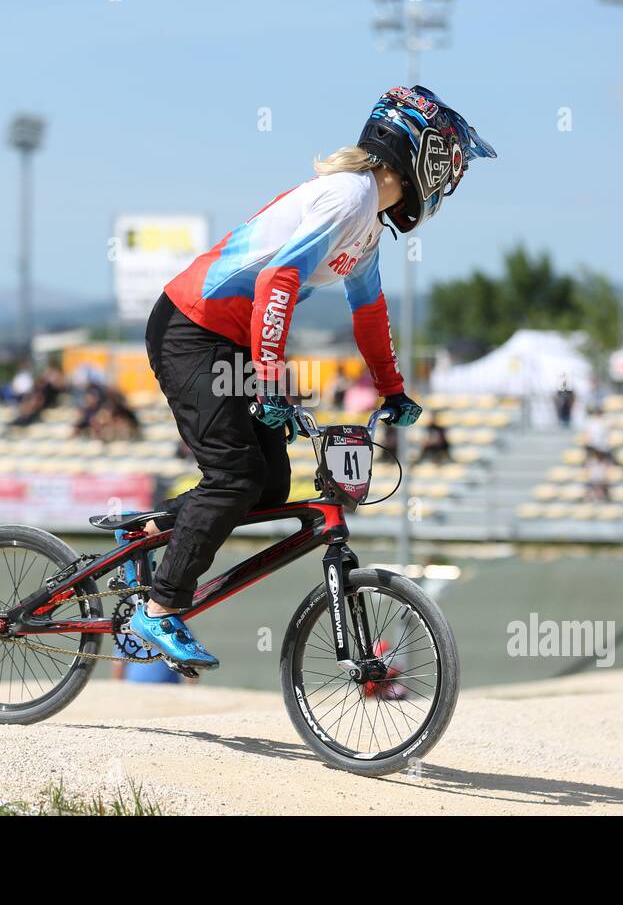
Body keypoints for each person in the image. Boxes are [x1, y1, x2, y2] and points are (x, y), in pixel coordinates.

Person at [128, 85, 495, 670]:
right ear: (415, 151)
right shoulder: (348, 197)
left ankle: (147, 532)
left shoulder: (369, 221)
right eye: (448, 161)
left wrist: (392, 388)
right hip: (192, 328)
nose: (450, 179)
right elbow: (279, 279)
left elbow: (370, 314)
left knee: (268, 488)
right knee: (234, 476)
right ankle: (160, 606)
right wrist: (271, 376)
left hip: (235, 339)